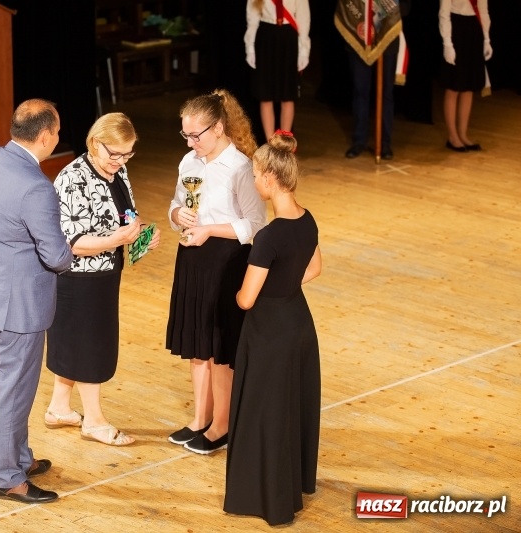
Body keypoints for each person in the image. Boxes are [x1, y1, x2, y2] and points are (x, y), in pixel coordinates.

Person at [0, 99, 74, 504]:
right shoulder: (36, 187)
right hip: (20, 310)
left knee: (11, 387)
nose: (58, 137)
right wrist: (83, 246)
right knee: (13, 393)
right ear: (45, 137)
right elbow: (57, 257)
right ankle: (8, 478)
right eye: (58, 131)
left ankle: (20, 457)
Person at [44, 112, 161, 446]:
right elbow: (71, 242)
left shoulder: (118, 171)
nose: (121, 161)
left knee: (73, 343)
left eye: (128, 154)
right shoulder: (72, 179)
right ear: (95, 143)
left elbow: (126, 220)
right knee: (87, 348)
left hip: (106, 275)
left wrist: (141, 238)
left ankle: (58, 408)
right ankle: (93, 421)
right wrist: (117, 240)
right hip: (77, 279)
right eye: (115, 153)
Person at [223, 131, 322, 526]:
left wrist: (231, 294)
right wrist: (284, 285)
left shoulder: (268, 237)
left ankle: (269, 499)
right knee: (291, 407)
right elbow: (314, 268)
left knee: (265, 414)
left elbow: (246, 299)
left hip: (269, 333)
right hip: (298, 323)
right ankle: (293, 484)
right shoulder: (307, 219)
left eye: (254, 175)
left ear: (268, 178)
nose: (253, 182)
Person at [165, 89, 267, 455]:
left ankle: (222, 423)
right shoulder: (189, 163)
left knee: (220, 346)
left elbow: (256, 224)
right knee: (197, 343)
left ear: (219, 127)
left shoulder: (240, 167)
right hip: (192, 256)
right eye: (186, 135)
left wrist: (210, 229)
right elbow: (176, 204)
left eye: (197, 135)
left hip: (226, 260)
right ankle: (200, 418)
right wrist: (177, 216)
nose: (191, 142)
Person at [342, 0, 411, 160]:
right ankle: (359, 140)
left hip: (388, 36)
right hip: (360, 35)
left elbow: (406, 7)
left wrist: (386, 7)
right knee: (360, 91)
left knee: (386, 93)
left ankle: (385, 143)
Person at [244, 0, 311, 141]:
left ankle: (284, 144)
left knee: (288, 95)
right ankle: (270, 144)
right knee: (265, 95)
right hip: (266, 38)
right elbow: (252, 18)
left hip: (289, 38)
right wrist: (250, 48)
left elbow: (304, 19)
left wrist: (304, 50)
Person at [439, 0, 492, 152]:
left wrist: (487, 39)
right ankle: (452, 136)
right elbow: (444, 13)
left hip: (474, 30)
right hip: (456, 29)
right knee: (454, 85)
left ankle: (463, 134)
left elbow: (483, 11)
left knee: (469, 86)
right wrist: (447, 43)